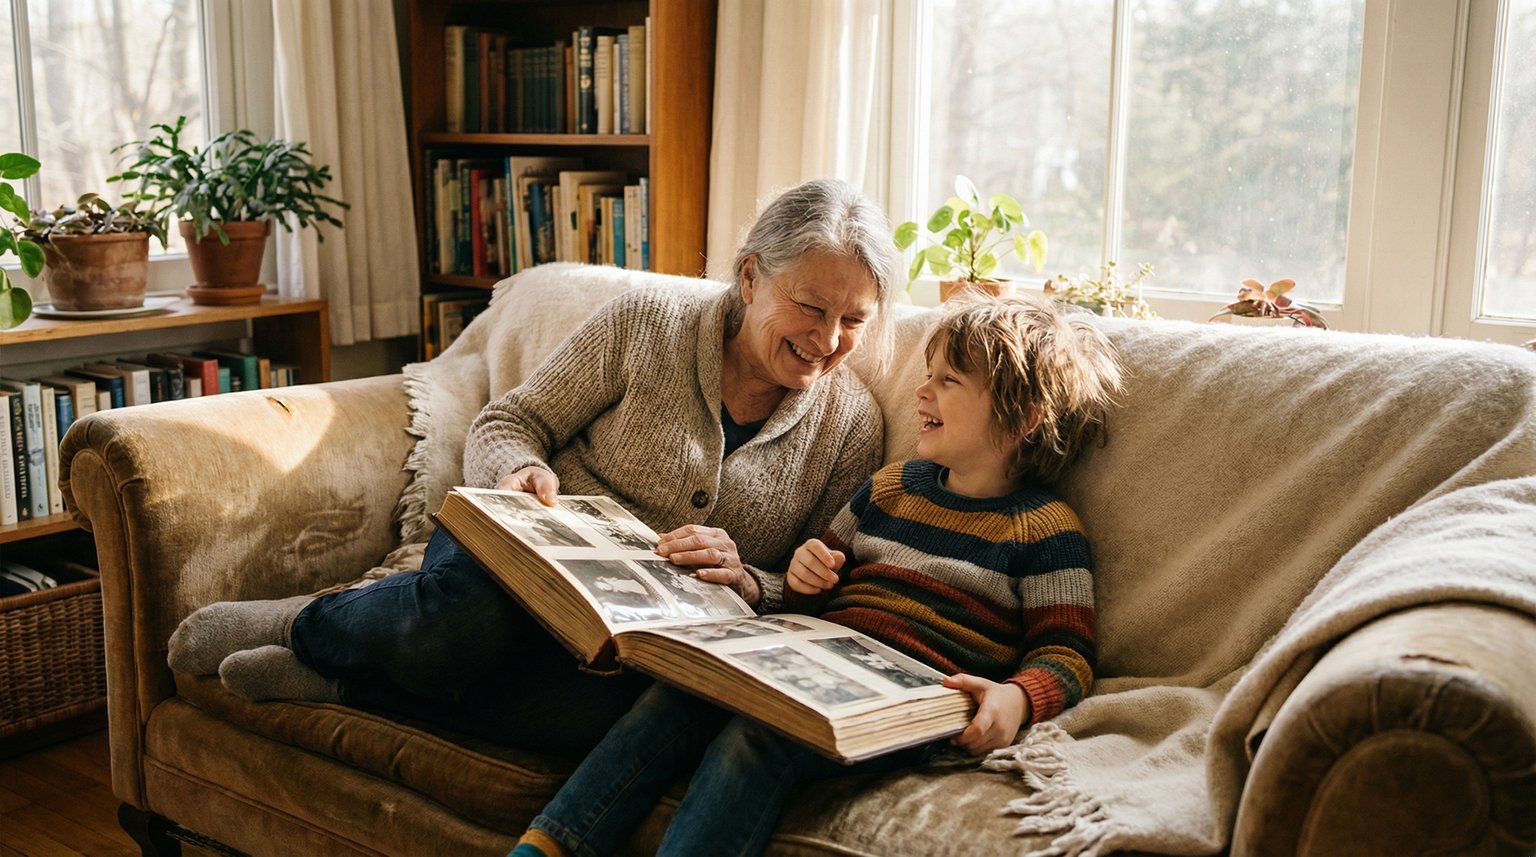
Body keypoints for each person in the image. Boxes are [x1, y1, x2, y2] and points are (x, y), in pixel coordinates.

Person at [166, 178, 899, 754]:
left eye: (854, 321)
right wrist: (517, 471)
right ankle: (307, 623)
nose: (828, 338)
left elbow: (811, 583)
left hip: (639, 632)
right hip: (523, 557)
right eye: (809, 306)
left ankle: (349, 684)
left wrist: (747, 577)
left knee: (608, 715)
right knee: (462, 626)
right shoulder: (643, 324)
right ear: (749, 277)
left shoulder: (852, 426)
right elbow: (511, 421)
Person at [508, 296, 1124, 857]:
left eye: (948, 381)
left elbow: (1068, 654)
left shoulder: (1046, 530)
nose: (922, 392)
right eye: (927, 373)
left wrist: (1018, 698)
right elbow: (814, 580)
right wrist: (805, 574)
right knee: (671, 700)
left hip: (903, 707)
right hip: (809, 666)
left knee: (757, 741)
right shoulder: (889, 488)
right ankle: (548, 847)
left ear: (1025, 417)